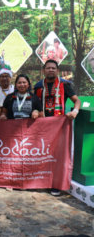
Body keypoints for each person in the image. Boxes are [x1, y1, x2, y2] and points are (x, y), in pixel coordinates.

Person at [34, 60, 81, 196]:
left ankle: (55, 184)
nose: (50, 70)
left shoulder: (64, 85)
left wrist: (75, 111)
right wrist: (36, 111)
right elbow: (34, 104)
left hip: (59, 127)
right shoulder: (38, 86)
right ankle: (40, 181)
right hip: (42, 126)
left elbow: (77, 101)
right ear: (43, 71)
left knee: (57, 156)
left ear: (57, 71)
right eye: (48, 68)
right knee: (42, 153)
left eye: (53, 68)